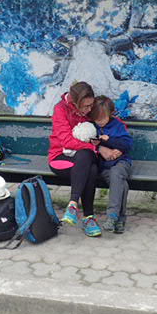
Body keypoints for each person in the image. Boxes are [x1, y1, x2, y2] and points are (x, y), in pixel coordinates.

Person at [48, 81, 102, 237]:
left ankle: (72, 205)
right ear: (75, 103)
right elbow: (66, 141)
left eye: (91, 105)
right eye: (86, 106)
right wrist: (92, 147)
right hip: (61, 156)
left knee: (85, 156)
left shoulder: (90, 109)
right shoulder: (60, 109)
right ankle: (88, 218)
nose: (89, 110)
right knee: (91, 169)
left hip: (86, 156)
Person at [90, 96, 133, 234]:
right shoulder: (91, 127)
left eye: (102, 118)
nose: (99, 122)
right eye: (96, 119)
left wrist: (110, 141)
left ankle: (112, 215)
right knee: (121, 184)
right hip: (104, 166)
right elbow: (86, 143)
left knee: (116, 174)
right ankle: (120, 219)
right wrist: (100, 147)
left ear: (110, 114)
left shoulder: (117, 125)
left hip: (121, 162)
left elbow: (127, 144)